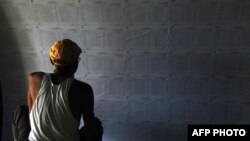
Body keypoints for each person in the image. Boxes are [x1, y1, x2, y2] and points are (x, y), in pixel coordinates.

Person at [12, 39, 103, 141]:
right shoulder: (83, 90)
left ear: (52, 61)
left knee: (20, 110)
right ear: (75, 63)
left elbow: (31, 119)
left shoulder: (34, 78)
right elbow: (90, 133)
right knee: (96, 124)